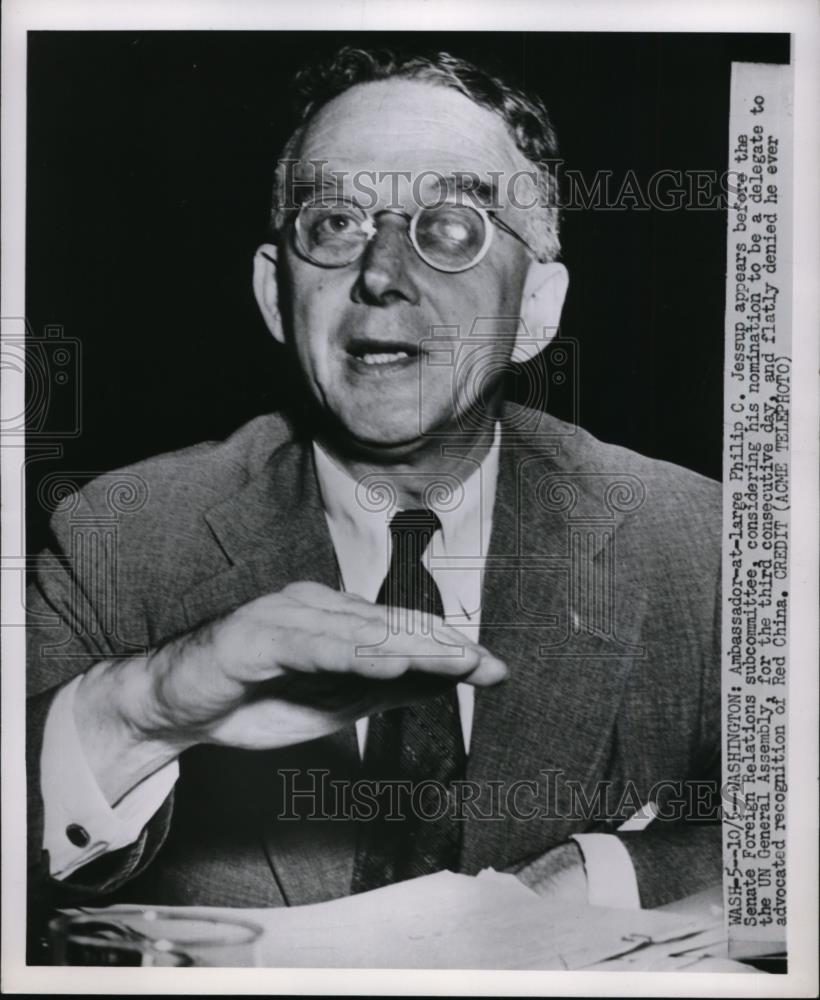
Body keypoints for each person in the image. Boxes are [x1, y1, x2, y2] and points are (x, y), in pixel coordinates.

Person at [27, 48, 722, 920]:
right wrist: (142, 710)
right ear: (278, 296)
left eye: (454, 227)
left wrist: (602, 875)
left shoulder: (699, 545)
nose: (384, 273)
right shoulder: (116, 542)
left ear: (537, 309)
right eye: (335, 224)